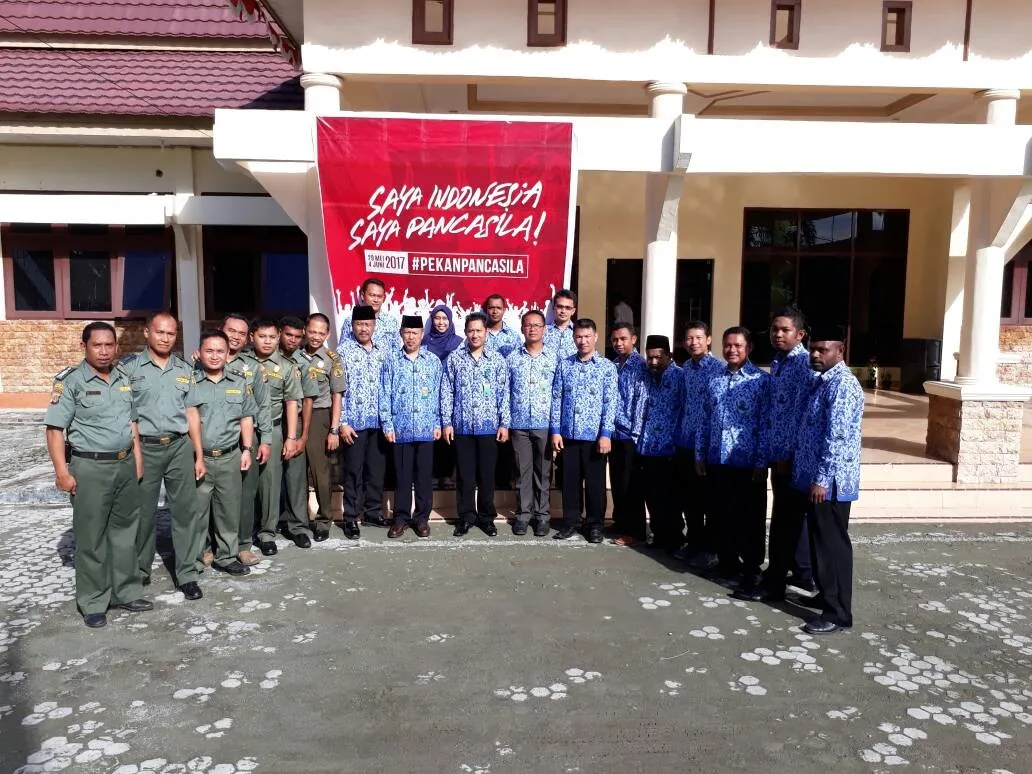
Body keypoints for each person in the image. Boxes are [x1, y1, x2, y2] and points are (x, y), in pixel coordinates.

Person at [44, 322, 150, 628]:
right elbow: (54, 430)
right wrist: (61, 472)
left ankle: (126, 591)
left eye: (109, 345)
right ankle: (93, 601)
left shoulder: (123, 377)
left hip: (125, 464)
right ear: (84, 347)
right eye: (97, 345)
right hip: (90, 468)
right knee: (92, 537)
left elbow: (132, 423)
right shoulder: (71, 382)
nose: (104, 351)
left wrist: (138, 459)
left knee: (125, 532)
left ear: (116, 346)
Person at [737, 307, 817, 603]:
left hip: (791, 460)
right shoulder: (779, 362)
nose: (778, 334)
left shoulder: (803, 365)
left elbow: (802, 416)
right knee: (790, 519)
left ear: (800, 334)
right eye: (774, 329)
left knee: (784, 522)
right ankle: (802, 572)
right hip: (776, 454)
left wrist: (789, 455)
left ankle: (774, 585)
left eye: (785, 330)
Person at [122, 311, 201, 593]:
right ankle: (140, 570)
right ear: (147, 333)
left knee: (185, 513)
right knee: (143, 513)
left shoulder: (184, 369)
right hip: (145, 447)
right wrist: (134, 452)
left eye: (171, 333)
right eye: (160, 332)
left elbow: (192, 412)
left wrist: (198, 454)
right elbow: (125, 414)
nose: (165, 338)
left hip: (179, 446)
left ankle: (187, 574)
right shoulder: (129, 369)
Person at [792, 325, 863, 634]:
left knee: (832, 547)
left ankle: (838, 614)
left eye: (823, 349)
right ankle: (826, 596)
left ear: (840, 351)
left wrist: (821, 479)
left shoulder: (843, 385)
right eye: (813, 348)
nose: (816, 354)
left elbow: (837, 437)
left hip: (831, 484)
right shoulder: (822, 381)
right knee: (819, 543)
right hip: (817, 479)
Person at [695, 327, 770, 592]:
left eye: (738, 345)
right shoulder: (714, 380)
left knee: (749, 519)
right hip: (718, 459)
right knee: (720, 514)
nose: (732, 350)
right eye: (727, 345)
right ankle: (726, 561)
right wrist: (700, 453)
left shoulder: (761, 381)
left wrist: (761, 461)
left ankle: (751, 569)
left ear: (748, 348)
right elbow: (704, 419)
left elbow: (766, 424)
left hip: (747, 463)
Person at [186, 331, 257, 584]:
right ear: (199, 353)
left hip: (229, 456)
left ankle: (226, 556)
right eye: (209, 351)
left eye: (220, 351)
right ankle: (195, 559)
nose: (215, 356)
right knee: (197, 511)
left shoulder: (239, 382)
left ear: (228, 354)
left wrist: (246, 449)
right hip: (198, 458)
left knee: (228, 510)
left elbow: (246, 417)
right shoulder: (190, 382)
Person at [441, 312, 510, 537]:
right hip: (462, 427)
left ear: (486, 332)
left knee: (487, 476)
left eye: (479, 330)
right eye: (470, 330)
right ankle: (466, 517)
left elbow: (504, 393)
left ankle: (487, 517)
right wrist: (447, 422)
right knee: (465, 476)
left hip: (489, 428)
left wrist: (504, 423)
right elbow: (447, 391)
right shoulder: (455, 358)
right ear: (465, 332)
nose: (475, 335)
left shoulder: (497, 360)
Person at [550, 318, 617, 544]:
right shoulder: (565, 365)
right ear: (573, 338)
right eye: (579, 336)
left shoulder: (607, 367)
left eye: (587, 336)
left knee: (595, 484)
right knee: (570, 481)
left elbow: (610, 403)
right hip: (568, 435)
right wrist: (555, 431)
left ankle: (595, 524)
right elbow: (557, 399)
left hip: (595, 437)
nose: (583, 341)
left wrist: (606, 434)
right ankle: (571, 522)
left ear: (596, 337)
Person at [380, 315, 442, 539]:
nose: (411, 337)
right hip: (401, 428)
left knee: (424, 477)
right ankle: (401, 518)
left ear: (422, 335)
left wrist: (438, 422)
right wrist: (387, 424)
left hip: (426, 427)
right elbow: (384, 393)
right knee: (402, 476)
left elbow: (439, 394)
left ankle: (422, 518)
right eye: (407, 332)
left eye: (415, 333)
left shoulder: (432, 361)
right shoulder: (391, 360)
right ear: (401, 334)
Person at [221, 314, 272, 567]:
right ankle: (214, 544)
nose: (236, 337)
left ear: (247, 338)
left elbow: (264, 405)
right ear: (221, 330)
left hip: (247, 440)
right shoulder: (204, 360)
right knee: (213, 495)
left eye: (241, 333)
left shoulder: (253, 368)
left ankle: (242, 544)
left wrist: (266, 440)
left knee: (245, 493)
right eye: (231, 330)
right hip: (214, 441)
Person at [673, 322, 724, 568]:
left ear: (709, 340)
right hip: (686, 442)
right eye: (689, 338)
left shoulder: (719, 369)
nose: (694, 343)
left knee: (709, 500)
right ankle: (693, 542)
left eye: (699, 338)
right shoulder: (686, 368)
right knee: (689, 499)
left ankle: (711, 548)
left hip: (707, 446)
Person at [250, 318, 303, 554]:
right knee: (242, 483)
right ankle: (242, 532)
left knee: (270, 483)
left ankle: (267, 533)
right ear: (252, 337)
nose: (267, 341)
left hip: (272, 429)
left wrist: (291, 437)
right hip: (241, 430)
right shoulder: (239, 362)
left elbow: (291, 402)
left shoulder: (286, 367)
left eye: (272, 337)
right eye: (262, 336)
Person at [337, 305, 389, 539]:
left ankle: (373, 512)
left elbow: (389, 386)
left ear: (374, 326)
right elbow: (338, 391)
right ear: (352, 326)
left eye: (367, 324)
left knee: (376, 470)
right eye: (359, 324)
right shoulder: (342, 352)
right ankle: (350, 517)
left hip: (378, 422)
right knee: (353, 471)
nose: (363, 328)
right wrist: (342, 422)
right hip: (354, 424)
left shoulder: (383, 350)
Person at [506, 309, 559, 537]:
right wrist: (506, 422)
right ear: (522, 329)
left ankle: (542, 515)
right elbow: (506, 393)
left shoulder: (554, 359)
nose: (532, 329)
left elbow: (558, 395)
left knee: (543, 472)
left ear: (544, 329)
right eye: (528, 325)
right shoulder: (512, 358)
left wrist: (556, 427)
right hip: (519, 425)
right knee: (522, 472)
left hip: (544, 425)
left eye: (537, 325)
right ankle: (523, 515)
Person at [296, 313, 347, 541]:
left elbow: (337, 395)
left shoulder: (332, 359)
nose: (316, 336)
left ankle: (324, 519)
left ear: (327, 334)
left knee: (320, 471)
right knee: (296, 472)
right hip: (295, 415)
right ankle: (299, 519)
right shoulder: (293, 355)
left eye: (321, 333)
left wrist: (334, 429)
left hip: (319, 415)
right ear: (305, 331)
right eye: (312, 331)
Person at [636, 335, 684, 551]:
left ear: (669, 355)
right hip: (648, 446)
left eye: (658, 357)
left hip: (670, 448)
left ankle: (674, 536)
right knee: (651, 494)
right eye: (650, 357)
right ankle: (659, 533)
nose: (653, 362)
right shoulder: (647, 375)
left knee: (670, 496)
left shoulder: (680, 376)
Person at [278, 316, 321, 548]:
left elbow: (308, 401)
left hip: (294, 425)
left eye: (297, 336)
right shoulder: (262, 358)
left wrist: (303, 436)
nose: (293, 340)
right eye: (288, 335)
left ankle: (298, 527)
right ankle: (265, 525)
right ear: (280, 333)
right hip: (269, 425)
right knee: (266, 478)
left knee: (295, 478)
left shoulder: (304, 362)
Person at [609, 322, 648, 546]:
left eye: (623, 339)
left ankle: (635, 530)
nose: (619, 343)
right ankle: (620, 522)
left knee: (631, 484)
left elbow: (641, 401)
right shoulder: (614, 364)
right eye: (615, 339)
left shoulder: (640, 366)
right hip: (614, 433)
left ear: (633, 339)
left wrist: (636, 433)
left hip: (630, 435)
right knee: (617, 481)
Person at [425, 304, 462, 489]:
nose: (441, 322)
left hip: (451, 394)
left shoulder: (459, 343)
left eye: (445, 318)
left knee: (449, 432)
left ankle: (447, 474)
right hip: (429, 395)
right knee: (432, 432)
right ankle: (432, 473)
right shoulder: (424, 342)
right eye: (437, 318)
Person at [337, 277, 400, 350]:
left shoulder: (391, 321)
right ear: (362, 296)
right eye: (372, 295)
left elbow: (396, 350)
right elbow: (342, 350)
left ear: (383, 298)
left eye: (379, 296)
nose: (376, 300)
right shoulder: (350, 321)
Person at [483, 294, 522, 358]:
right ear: (486, 310)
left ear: (504, 310)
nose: (495, 311)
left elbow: (519, 359)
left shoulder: (514, 336)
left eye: (498, 308)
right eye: (491, 308)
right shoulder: (477, 334)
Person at [543, 289, 578, 359]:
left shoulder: (579, 332)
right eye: (559, 306)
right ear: (553, 307)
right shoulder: (542, 331)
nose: (563, 311)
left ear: (573, 311)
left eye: (568, 308)